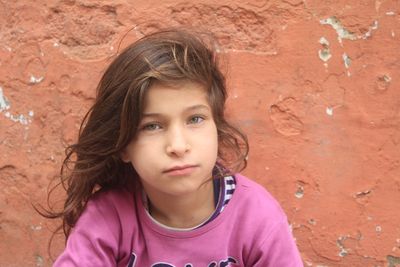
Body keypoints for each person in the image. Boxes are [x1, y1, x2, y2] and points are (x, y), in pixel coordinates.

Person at [48, 29, 303, 266]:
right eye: (152, 126)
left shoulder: (256, 217)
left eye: (195, 119)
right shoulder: (109, 216)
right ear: (123, 145)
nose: (178, 146)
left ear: (217, 127)